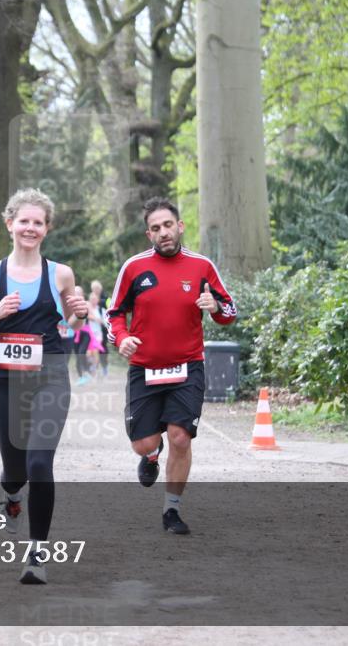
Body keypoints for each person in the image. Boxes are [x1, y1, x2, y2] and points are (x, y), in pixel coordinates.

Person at [0, 188, 88, 584]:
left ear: (47, 228)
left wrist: (80, 314)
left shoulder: (61, 274)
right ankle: (12, 495)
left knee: (39, 464)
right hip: (6, 382)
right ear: (9, 224)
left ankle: (36, 556)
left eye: (38, 222)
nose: (30, 228)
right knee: (16, 471)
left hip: (51, 378)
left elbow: (71, 323)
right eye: (24, 221)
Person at [106, 198, 236, 535]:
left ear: (180, 226)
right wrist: (122, 338)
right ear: (148, 234)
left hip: (187, 367)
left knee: (180, 437)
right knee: (144, 443)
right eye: (155, 228)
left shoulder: (201, 266)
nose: (163, 232)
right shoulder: (133, 268)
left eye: (167, 225)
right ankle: (151, 456)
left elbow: (229, 312)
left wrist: (215, 306)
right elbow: (114, 314)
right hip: (145, 368)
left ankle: (171, 510)